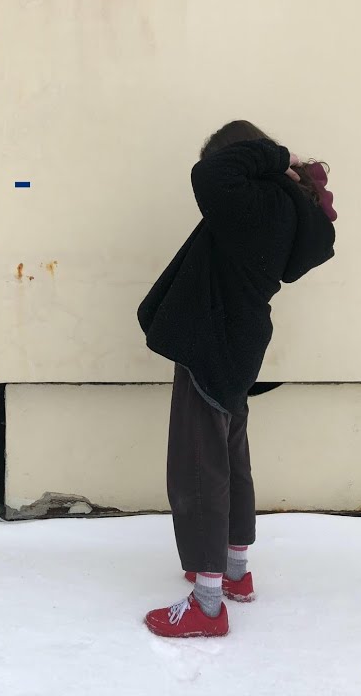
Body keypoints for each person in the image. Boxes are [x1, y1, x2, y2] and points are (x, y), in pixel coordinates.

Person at [136, 120, 338, 637]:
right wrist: (278, 163)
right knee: (229, 456)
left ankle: (206, 606)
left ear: (244, 156)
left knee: (199, 465)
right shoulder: (281, 207)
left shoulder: (252, 201)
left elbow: (208, 175)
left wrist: (279, 156)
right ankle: (234, 573)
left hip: (213, 340)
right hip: (237, 340)